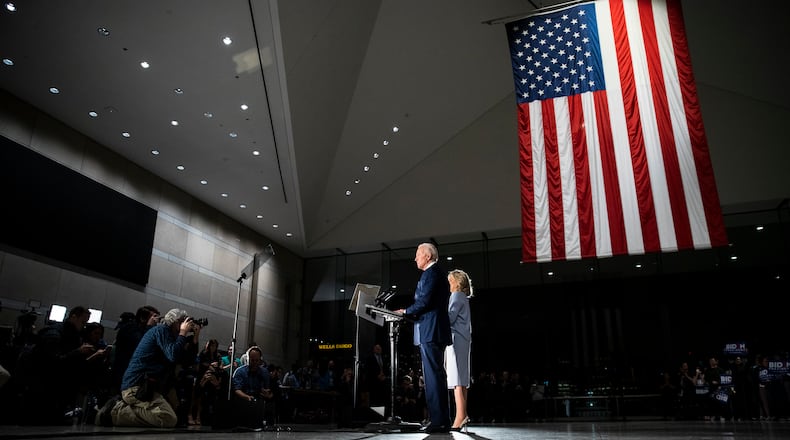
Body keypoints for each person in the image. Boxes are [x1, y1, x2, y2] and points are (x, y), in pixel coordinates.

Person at [96, 308, 201, 428]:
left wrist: (195, 338)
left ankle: (124, 408)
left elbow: (187, 361)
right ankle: (115, 412)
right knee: (168, 418)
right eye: (183, 321)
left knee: (178, 416)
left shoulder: (172, 338)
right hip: (138, 386)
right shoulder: (161, 330)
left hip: (152, 387)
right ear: (176, 322)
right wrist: (183, 333)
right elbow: (173, 355)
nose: (186, 325)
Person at [395, 242, 451, 433]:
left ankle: (439, 422)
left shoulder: (431, 273)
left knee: (433, 376)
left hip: (431, 330)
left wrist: (405, 311)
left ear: (427, 256)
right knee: (436, 375)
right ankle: (441, 419)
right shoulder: (436, 273)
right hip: (435, 329)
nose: (415, 258)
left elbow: (424, 302)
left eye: (418, 254)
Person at [445, 268, 473, 431]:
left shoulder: (455, 296)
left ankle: (460, 416)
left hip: (456, 339)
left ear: (456, 282)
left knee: (457, 380)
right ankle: (463, 415)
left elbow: (450, 318)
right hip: (463, 339)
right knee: (461, 380)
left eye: (450, 281)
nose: (449, 284)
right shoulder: (463, 297)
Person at [231, 346, 273, 430]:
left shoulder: (264, 372)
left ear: (260, 360)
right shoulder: (240, 371)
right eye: (252, 360)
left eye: (257, 360)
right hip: (243, 401)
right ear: (247, 359)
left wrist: (268, 394)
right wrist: (247, 397)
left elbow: (267, 390)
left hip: (258, 402)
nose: (254, 363)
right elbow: (237, 390)